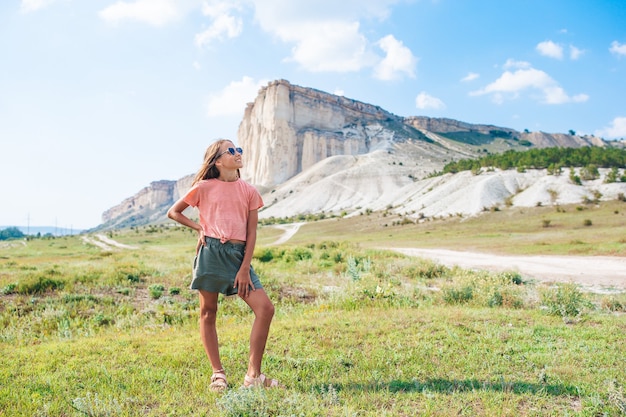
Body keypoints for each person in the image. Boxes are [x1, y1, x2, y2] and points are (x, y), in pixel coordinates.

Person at [167, 139, 279, 391]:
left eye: (238, 149)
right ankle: (218, 374)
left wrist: (244, 267)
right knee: (208, 311)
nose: (238, 153)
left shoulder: (249, 190)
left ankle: (253, 377)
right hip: (211, 252)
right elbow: (174, 212)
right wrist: (200, 228)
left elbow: (252, 233)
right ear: (217, 161)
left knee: (265, 309)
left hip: (238, 256)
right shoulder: (203, 187)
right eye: (231, 151)